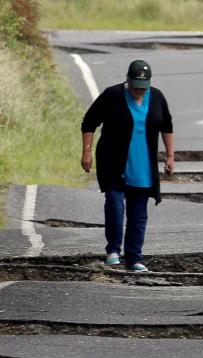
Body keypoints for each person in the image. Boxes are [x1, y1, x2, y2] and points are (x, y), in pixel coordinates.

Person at [80, 59, 174, 272]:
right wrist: (86, 152)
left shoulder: (157, 97)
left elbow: (167, 126)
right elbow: (89, 122)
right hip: (113, 161)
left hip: (143, 164)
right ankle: (113, 250)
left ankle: (134, 258)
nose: (139, 91)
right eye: (135, 87)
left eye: (143, 87)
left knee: (138, 212)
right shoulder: (112, 95)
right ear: (127, 80)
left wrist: (170, 156)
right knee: (115, 203)